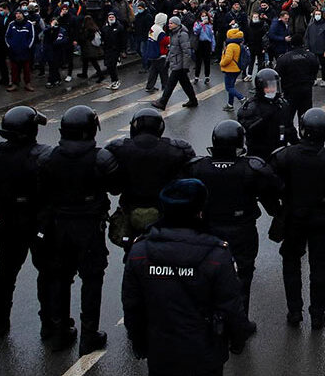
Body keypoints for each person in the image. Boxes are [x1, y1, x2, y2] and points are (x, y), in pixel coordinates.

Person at [122, 179, 252, 376]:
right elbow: (231, 305)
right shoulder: (216, 254)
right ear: (200, 210)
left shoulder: (140, 252)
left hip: (161, 351)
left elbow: (132, 305)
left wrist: (138, 340)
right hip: (205, 352)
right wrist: (237, 339)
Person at [36, 105, 122, 354]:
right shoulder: (101, 157)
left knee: (60, 279)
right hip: (89, 226)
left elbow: (42, 191)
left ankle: (60, 332)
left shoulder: (49, 157)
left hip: (58, 226)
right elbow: (115, 188)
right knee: (92, 279)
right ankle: (89, 334)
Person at [186, 120, 283, 321]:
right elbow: (272, 191)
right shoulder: (251, 167)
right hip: (242, 231)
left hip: (209, 231)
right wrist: (277, 214)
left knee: (207, 276)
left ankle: (208, 318)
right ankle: (240, 323)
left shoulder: (198, 167)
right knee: (243, 277)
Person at [269, 109, 325, 329]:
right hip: (320, 218)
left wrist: (278, 208)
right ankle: (318, 314)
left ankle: (294, 312)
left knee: (291, 263)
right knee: (319, 266)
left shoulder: (285, 155)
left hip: (293, 216)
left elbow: (269, 183)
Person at [105, 109, 195, 250]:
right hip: (165, 213)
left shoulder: (118, 149)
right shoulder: (177, 150)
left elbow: (113, 188)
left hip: (130, 211)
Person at [151, 16, 199, 110]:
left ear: (176, 24)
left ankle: (162, 102)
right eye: (169, 23)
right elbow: (172, 49)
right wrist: (168, 60)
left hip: (179, 64)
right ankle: (193, 100)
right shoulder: (173, 33)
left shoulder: (182, 34)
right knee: (185, 84)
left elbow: (186, 51)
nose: (169, 25)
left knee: (170, 84)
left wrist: (185, 66)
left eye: (171, 23)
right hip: (176, 62)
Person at [275, 43, 320, 124]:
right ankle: (305, 134)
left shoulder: (285, 58)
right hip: (306, 90)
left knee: (288, 117)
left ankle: (290, 134)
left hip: (290, 91)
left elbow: (278, 73)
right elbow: (316, 68)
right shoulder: (310, 56)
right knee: (305, 117)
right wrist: (311, 80)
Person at [4, 8, 36, 92]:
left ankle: (27, 83)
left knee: (26, 69)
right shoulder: (11, 24)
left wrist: (27, 46)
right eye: (16, 14)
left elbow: (32, 37)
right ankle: (15, 84)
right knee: (14, 69)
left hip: (25, 51)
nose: (18, 15)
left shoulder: (29, 24)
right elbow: (7, 36)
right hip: (14, 51)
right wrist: (10, 46)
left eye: (20, 13)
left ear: (23, 14)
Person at [304, 8, 325, 86]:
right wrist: (307, 47)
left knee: (323, 65)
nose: (317, 16)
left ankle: (323, 79)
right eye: (316, 14)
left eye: (319, 14)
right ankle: (314, 79)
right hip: (312, 49)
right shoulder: (310, 26)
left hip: (322, 49)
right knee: (313, 65)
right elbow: (307, 37)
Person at [220, 26, 247, 111]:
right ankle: (230, 104)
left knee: (228, 88)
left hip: (230, 69)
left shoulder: (231, 45)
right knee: (231, 86)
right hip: (237, 69)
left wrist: (221, 63)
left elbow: (228, 58)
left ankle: (242, 98)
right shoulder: (239, 44)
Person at [142, 13, 169, 93]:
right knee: (163, 71)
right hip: (159, 53)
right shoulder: (160, 31)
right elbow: (164, 41)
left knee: (153, 71)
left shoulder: (153, 27)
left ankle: (149, 86)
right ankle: (166, 86)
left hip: (152, 52)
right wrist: (169, 38)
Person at [192, 11, 216, 85]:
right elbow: (195, 31)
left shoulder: (210, 25)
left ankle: (207, 76)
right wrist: (202, 24)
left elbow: (212, 37)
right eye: (202, 16)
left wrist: (213, 47)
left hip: (207, 43)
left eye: (205, 16)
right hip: (200, 43)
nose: (204, 17)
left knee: (207, 61)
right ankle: (196, 76)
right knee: (198, 61)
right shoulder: (197, 23)